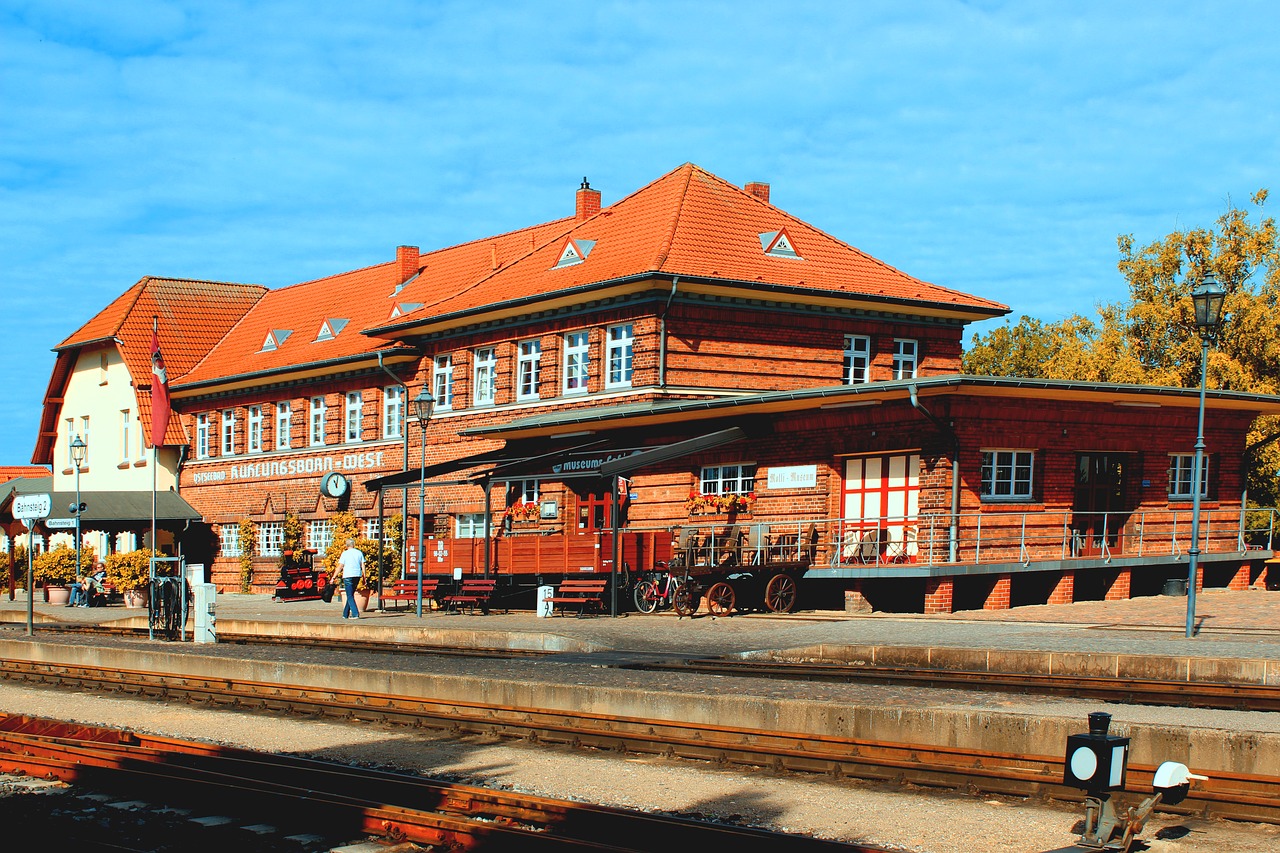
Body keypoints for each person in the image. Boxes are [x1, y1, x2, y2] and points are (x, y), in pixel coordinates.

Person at [333, 539, 365, 619]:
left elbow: (340, 566)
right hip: (357, 575)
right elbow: (363, 565)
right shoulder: (359, 553)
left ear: (346, 546)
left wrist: (333, 576)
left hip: (348, 575)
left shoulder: (345, 554)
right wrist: (364, 576)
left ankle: (355, 613)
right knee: (350, 594)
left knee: (349, 595)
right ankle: (345, 614)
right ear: (353, 545)